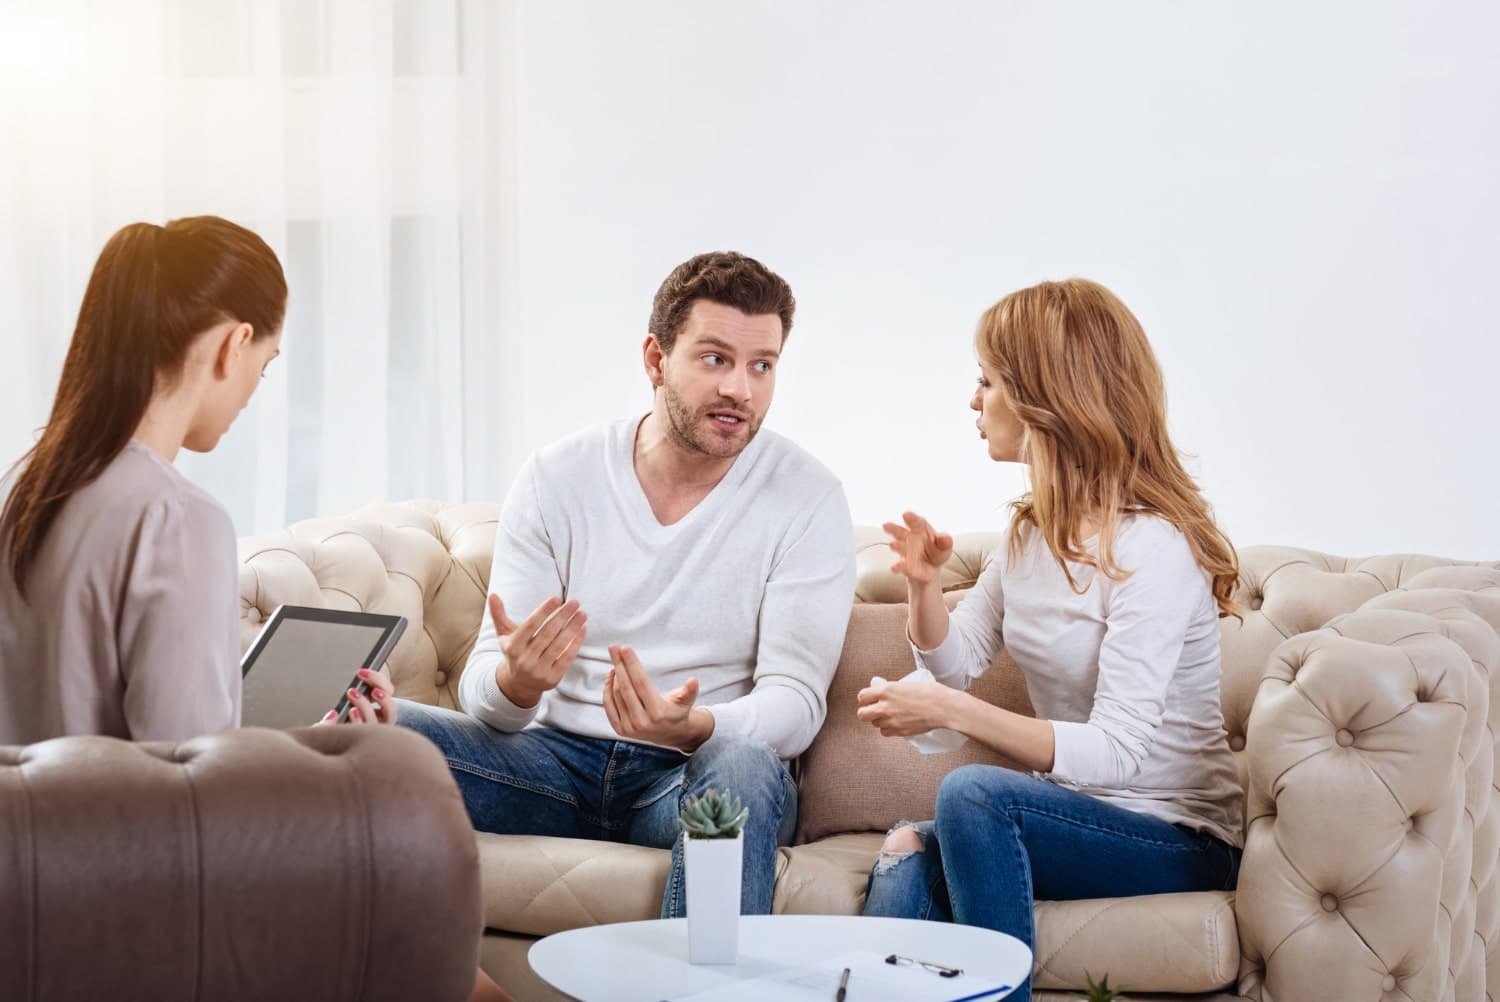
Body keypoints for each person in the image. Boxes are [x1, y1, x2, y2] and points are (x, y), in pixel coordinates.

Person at [0, 216, 509, 1002]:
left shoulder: (28, 493)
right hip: (143, 899)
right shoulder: (177, 517)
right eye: (264, 368)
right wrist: (326, 773)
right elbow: (193, 786)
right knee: (451, 959)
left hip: (34, 887)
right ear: (233, 344)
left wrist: (304, 743)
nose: (249, 397)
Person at [397, 251, 856, 918]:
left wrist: (695, 726)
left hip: (685, 779)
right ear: (655, 359)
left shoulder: (807, 498)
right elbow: (485, 691)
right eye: (715, 359)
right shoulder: (558, 476)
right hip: (546, 766)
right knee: (374, 729)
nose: (741, 390)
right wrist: (517, 685)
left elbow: (796, 703)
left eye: (762, 365)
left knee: (743, 768)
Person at [857, 279, 1243, 1002]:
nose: (974, 401)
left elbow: (1119, 752)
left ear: (1044, 397)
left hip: (1176, 836)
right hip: (1069, 814)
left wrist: (951, 714)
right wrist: (922, 588)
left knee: (972, 795)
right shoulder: (1030, 535)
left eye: (987, 380)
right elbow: (956, 663)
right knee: (907, 848)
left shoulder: (1152, 548)